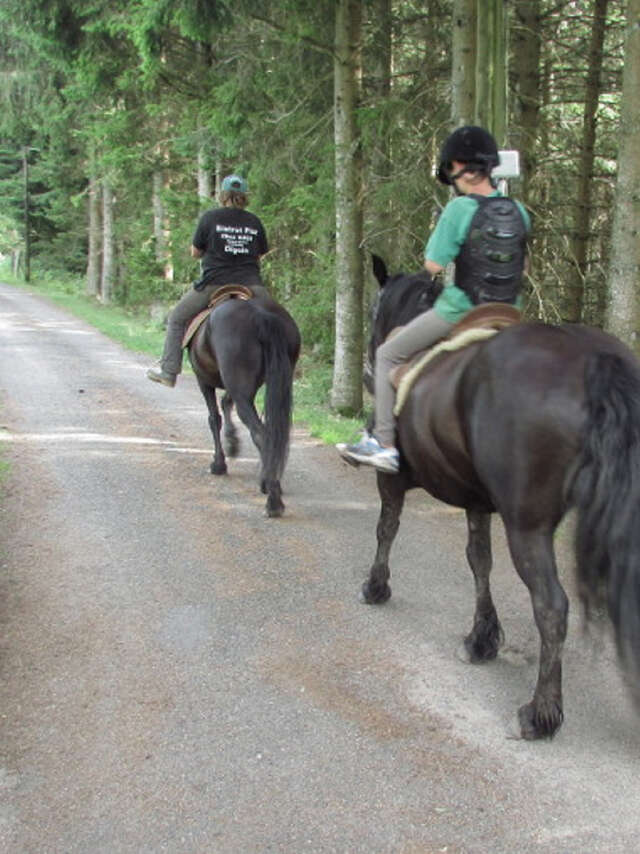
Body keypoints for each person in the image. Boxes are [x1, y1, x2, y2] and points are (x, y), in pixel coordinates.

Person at [338, 126, 531, 473]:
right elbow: (524, 264)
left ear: (459, 166)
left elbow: (432, 265)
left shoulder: (459, 209)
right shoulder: (518, 210)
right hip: (509, 314)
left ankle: (383, 444)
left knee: (386, 354)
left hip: (461, 312)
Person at [147, 173, 269, 387]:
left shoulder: (210, 218)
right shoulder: (254, 221)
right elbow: (260, 255)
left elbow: (196, 252)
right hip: (251, 284)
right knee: (276, 321)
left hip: (214, 284)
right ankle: (282, 371)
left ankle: (168, 370)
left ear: (222, 195)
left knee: (177, 318)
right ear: (244, 197)